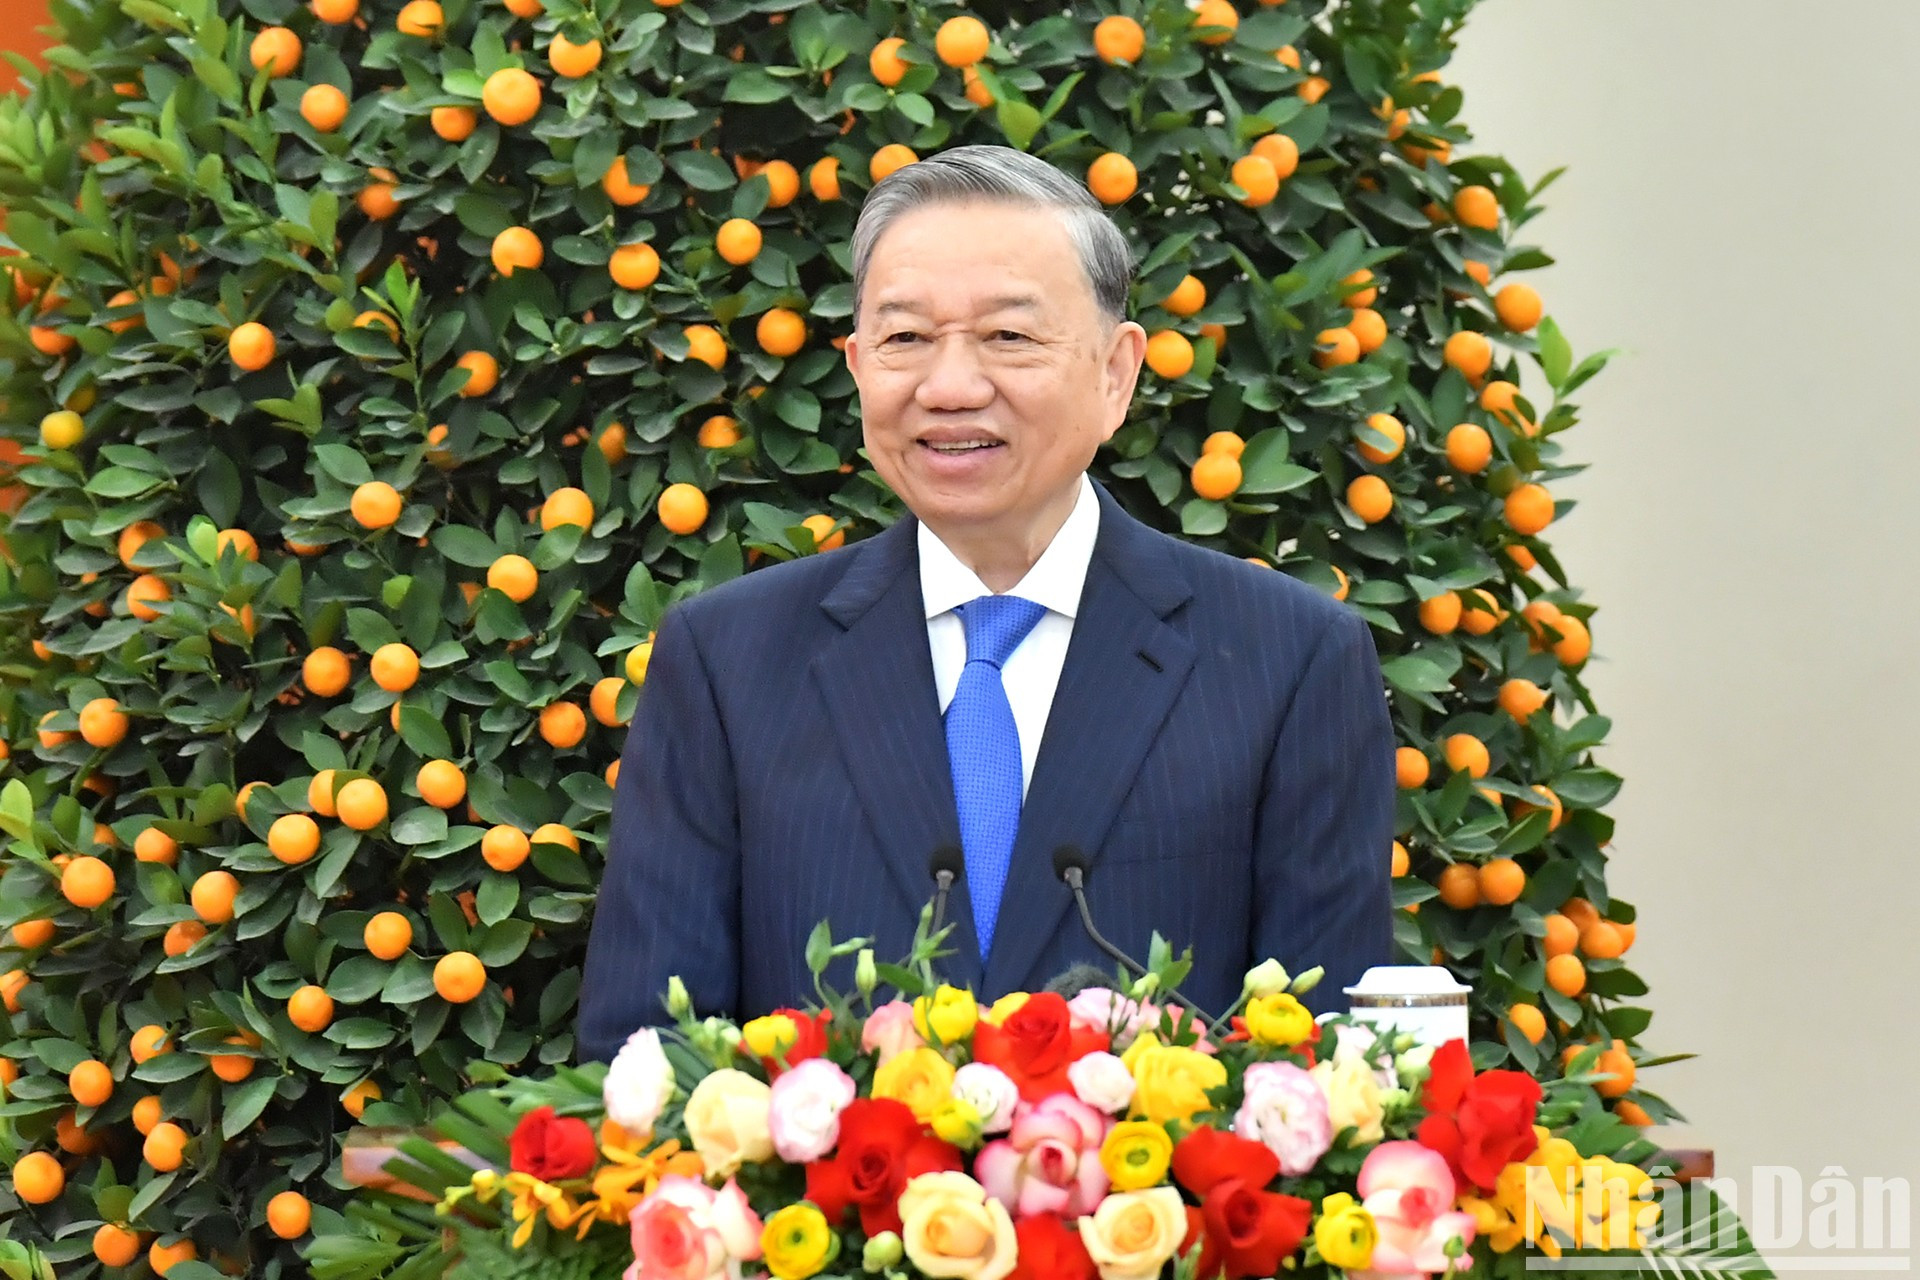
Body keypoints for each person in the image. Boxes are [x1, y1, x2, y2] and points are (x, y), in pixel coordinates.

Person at [577, 144, 1393, 1061]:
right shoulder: (727, 661)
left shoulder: (1290, 659)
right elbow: (638, 1068)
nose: (951, 386)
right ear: (856, 367)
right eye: (905, 339)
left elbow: (1337, 1079)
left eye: (1009, 337)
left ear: (1116, 375)